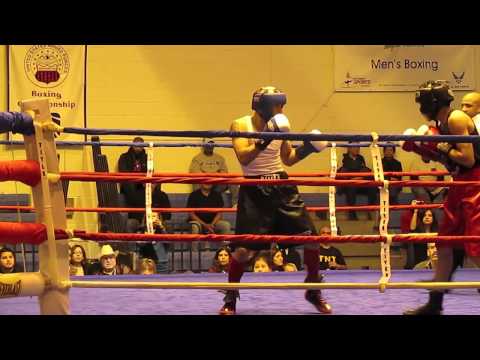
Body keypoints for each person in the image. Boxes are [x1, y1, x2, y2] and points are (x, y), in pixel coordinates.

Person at [219, 86, 332, 315]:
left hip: (282, 186)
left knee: (311, 240)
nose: (281, 109)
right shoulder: (240, 125)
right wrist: (264, 139)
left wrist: (307, 149)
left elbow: (287, 159)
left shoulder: (281, 122)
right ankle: (230, 298)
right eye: (277, 104)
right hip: (254, 189)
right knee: (243, 252)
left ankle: (313, 290)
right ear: (263, 105)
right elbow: (243, 156)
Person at [403, 81, 480, 315]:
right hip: (460, 185)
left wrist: (440, 146)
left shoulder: (456, 118)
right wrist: (427, 150)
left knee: (476, 246)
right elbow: (453, 161)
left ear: (432, 102)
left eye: (423, 103)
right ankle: (435, 303)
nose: (421, 108)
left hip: (475, 185)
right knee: (444, 243)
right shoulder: (440, 123)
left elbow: (467, 159)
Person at [189, 138, 239, 206]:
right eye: (208, 144)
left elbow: (225, 173)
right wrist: (214, 174)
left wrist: (210, 175)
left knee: (234, 180)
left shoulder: (220, 158)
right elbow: (195, 173)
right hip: (203, 184)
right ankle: (200, 205)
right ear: (203, 145)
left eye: (211, 144)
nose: (210, 146)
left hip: (216, 184)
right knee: (197, 182)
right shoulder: (197, 158)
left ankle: (235, 204)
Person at [338, 143, 377, 220]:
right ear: (349, 148)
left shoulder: (360, 158)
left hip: (360, 183)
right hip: (349, 184)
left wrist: (359, 177)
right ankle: (352, 213)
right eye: (354, 147)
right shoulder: (343, 159)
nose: (357, 149)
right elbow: (342, 172)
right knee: (351, 186)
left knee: (373, 185)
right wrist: (353, 179)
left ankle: (371, 210)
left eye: (358, 147)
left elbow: (364, 170)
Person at [187, 183, 231, 250]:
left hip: (213, 223)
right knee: (194, 226)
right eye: (204, 181)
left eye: (209, 182)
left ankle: (224, 252)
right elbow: (191, 214)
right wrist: (205, 225)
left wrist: (211, 225)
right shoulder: (193, 195)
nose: (207, 183)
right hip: (198, 223)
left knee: (226, 225)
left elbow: (219, 213)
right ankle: (194, 253)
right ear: (200, 183)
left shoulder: (217, 195)